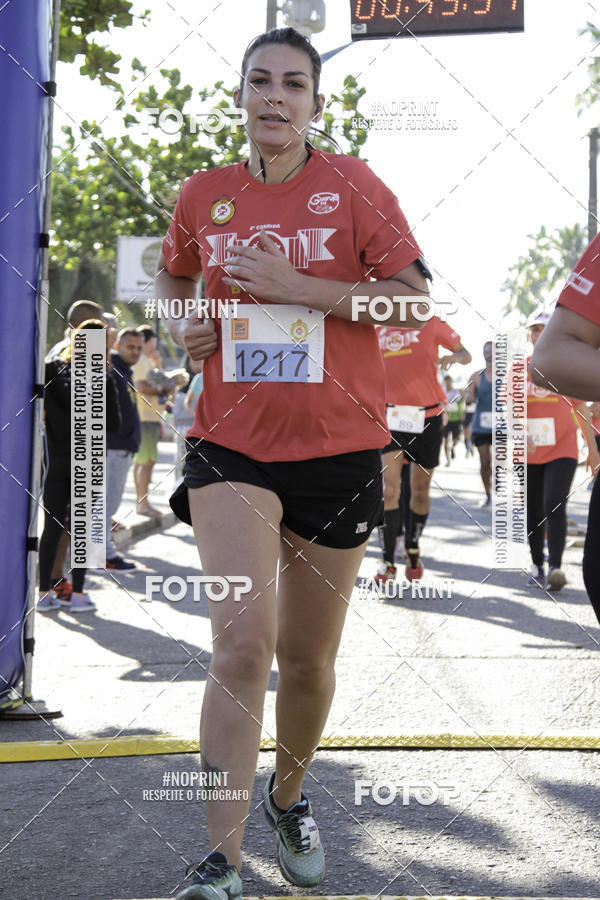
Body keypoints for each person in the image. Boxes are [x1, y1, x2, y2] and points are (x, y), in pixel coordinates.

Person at [156, 27, 433, 899]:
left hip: (338, 448)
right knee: (242, 646)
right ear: (241, 94)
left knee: (308, 662)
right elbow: (172, 282)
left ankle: (287, 796)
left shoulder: (354, 185)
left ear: (315, 101)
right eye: (259, 81)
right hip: (230, 444)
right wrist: (183, 323)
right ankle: (223, 861)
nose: (274, 96)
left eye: (292, 84)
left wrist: (301, 289)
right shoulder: (203, 194)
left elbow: (414, 303)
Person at [530, 235, 600, 607]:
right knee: (533, 511)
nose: (538, 334)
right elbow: (509, 413)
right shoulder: (518, 370)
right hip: (528, 452)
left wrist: (592, 449)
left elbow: (581, 409)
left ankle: (555, 565)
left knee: (554, 504)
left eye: (543, 328)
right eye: (535, 329)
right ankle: (538, 564)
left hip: (561, 448)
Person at [377, 316, 471, 584]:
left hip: (427, 418)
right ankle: (387, 561)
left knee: (419, 491)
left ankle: (413, 546)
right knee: (390, 489)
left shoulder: (431, 324)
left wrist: (452, 358)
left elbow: (465, 354)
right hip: (391, 416)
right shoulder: (378, 328)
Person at [37, 320, 120, 612]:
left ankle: (44, 593)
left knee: (51, 526)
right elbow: (114, 422)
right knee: (81, 529)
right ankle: (79, 595)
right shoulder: (102, 377)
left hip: (56, 458)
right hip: (88, 459)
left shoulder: (51, 370)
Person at [105, 328, 143, 570]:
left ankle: (103, 553)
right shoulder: (111, 369)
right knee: (105, 506)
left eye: (139, 348)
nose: (136, 352)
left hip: (122, 449)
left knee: (108, 505)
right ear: (117, 346)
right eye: (130, 347)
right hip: (113, 448)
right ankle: (105, 554)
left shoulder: (125, 372)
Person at [132, 327, 164, 518]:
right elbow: (141, 386)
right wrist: (164, 389)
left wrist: (158, 364)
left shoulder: (147, 360)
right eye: (154, 340)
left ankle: (142, 502)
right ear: (149, 340)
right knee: (147, 461)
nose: (155, 344)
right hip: (145, 417)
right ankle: (143, 504)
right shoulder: (142, 360)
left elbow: (157, 379)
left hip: (148, 417)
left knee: (142, 461)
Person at [464, 341, 493, 506]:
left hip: (500, 424)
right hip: (481, 425)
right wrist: (468, 398)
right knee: (485, 462)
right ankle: (488, 494)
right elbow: (469, 398)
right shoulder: (476, 376)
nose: (490, 354)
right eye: (487, 351)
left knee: (500, 459)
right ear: (483, 353)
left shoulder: (506, 375)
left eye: (493, 351)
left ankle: (497, 478)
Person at [442, 374, 463, 466]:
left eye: (449, 381)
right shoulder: (442, 392)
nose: (447, 383)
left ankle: (452, 448)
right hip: (446, 420)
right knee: (445, 441)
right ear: (444, 382)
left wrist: (462, 413)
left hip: (456, 419)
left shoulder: (456, 392)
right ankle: (448, 461)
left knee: (455, 440)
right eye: (446, 381)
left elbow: (460, 403)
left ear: (451, 381)